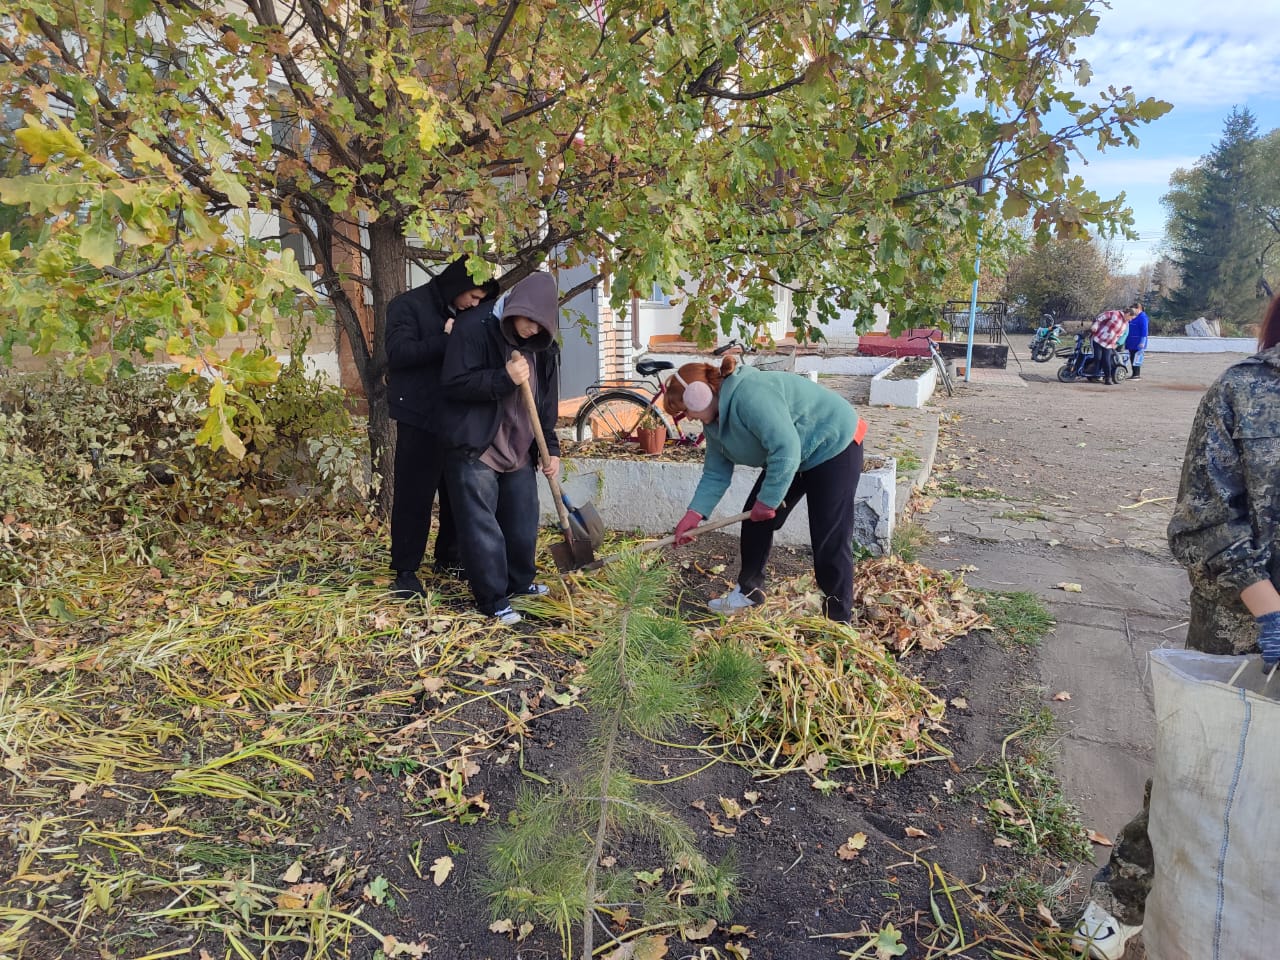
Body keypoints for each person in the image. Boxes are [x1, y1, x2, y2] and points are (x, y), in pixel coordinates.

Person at [1072, 294, 1280, 960]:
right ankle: (1119, 907)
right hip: (1243, 636)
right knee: (1196, 785)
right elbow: (1202, 523)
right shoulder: (1247, 392)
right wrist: (1269, 609)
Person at [664, 355, 868, 622]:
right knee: (754, 521)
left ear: (700, 395)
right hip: (798, 453)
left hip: (834, 441)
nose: (688, 417)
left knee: (829, 536)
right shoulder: (713, 424)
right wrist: (694, 515)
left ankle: (839, 620)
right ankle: (750, 593)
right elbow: (716, 472)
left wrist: (769, 501)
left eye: (685, 410)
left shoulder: (750, 396)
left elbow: (786, 449)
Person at [439, 271, 561, 626]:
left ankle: (520, 584)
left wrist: (549, 448)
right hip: (476, 447)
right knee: (483, 529)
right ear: (514, 308)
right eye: (529, 322)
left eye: (542, 326)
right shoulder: (473, 327)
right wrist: (503, 379)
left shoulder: (545, 345)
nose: (533, 331)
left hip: (521, 446)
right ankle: (493, 599)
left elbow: (546, 403)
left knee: (523, 522)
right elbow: (453, 384)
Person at [385, 257, 499, 598]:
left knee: (456, 493)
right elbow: (399, 353)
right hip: (419, 415)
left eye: (481, 300)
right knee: (414, 495)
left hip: (457, 415)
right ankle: (405, 569)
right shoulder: (408, 306)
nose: (475, 304)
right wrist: (444, 338)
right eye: (473, 297)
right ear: (457, 286)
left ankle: (449, 557)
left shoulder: (467, 313)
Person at [1088, 308, 1128, 385]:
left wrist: (1116, 343)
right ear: (1128, 314)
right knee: (1098, 358)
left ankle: (1108, 378)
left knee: (1106, 360)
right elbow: (1101, 317)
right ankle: (1095, 374)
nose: (1131, 319)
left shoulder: (1125, 324)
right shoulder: (1115, 314)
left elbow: (1120, 334)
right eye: (1132, 317)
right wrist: (1096, 325)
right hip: (1099, 339)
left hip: (1109, 344)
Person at [1124, 301, 1149, 380]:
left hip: (1138, 342)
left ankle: (1136, 374)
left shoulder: (1143, 317)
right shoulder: (1135, 316)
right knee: (1132, 357)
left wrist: (1142, 342)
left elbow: (1144, 330)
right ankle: (1134, 374)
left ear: (1138, 308)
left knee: (1136, 358)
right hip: (1131, 341)